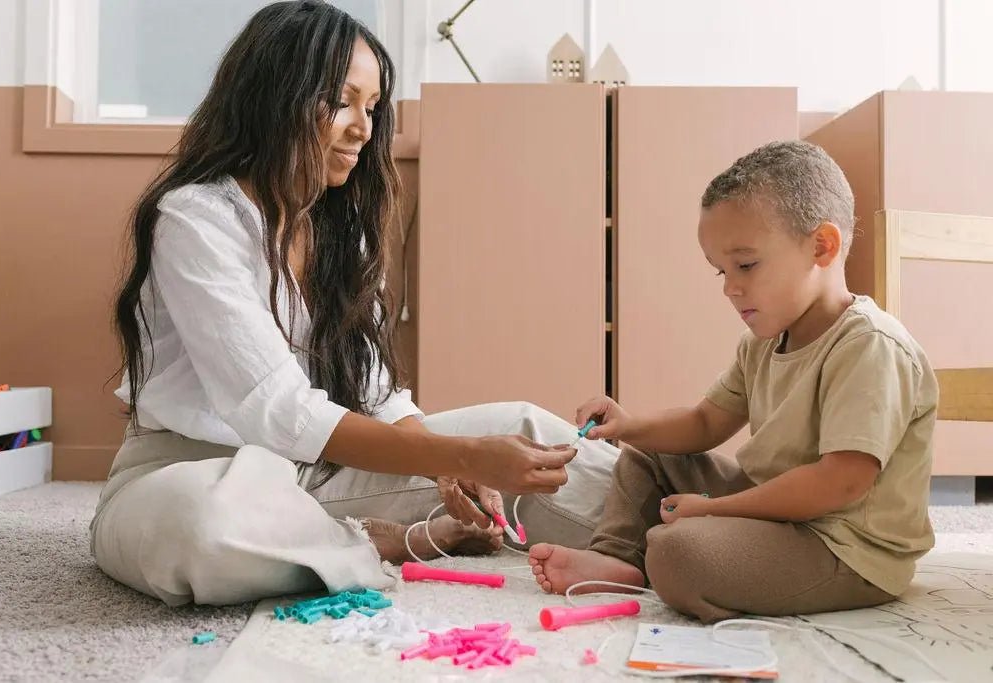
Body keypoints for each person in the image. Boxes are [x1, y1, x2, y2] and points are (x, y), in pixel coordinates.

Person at [91, 1, 617, 607]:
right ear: (275, 94)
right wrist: (459, 453)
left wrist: (449, 469)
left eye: (372, 108)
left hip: (321, 476)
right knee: (200, 527)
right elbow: (275, 410)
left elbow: (375, 392)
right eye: (342, 101)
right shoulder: (195, 219)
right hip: (192, 474)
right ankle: (379, 540)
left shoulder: (343, 231)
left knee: (522, 426)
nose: (364, 129)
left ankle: (693, 526)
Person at [529, 140, 938, 623]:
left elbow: (841, 481)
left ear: (822, 246)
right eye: (721, 271)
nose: (730, 287)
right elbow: (705, 422)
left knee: (676, 553)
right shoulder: (764, 339)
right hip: (776, 511)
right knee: (647, 451)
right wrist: (627, 425)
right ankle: (618, 557)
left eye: (746, 265)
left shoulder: (870, 345)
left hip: (843, 547)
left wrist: (712, 510)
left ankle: (654, 557)